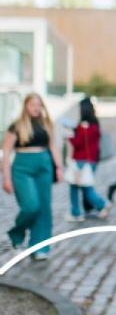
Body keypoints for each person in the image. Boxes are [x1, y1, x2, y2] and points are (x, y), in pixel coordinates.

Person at [2, 93, 64, 261]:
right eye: (32, 104)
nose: (36, 108)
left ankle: (39, 248)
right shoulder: (16, 126)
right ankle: (16, 233)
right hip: (22, 168)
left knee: (45, 208)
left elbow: (53, 147)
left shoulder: (46, 124)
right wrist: (6, 178)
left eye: (38, 104)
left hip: (44, 166)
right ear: (26, 106)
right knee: (31, 206)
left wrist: (58, 167)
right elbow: (6, 153)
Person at [67, 98, 111, 222]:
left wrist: (69, 136)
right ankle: (92, 207)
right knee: (85, 186)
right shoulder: (95, 124)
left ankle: (79, 212)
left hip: (80, 161)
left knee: (78, 187)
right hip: (92, 160)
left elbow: (78, 143)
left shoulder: (83, 126)